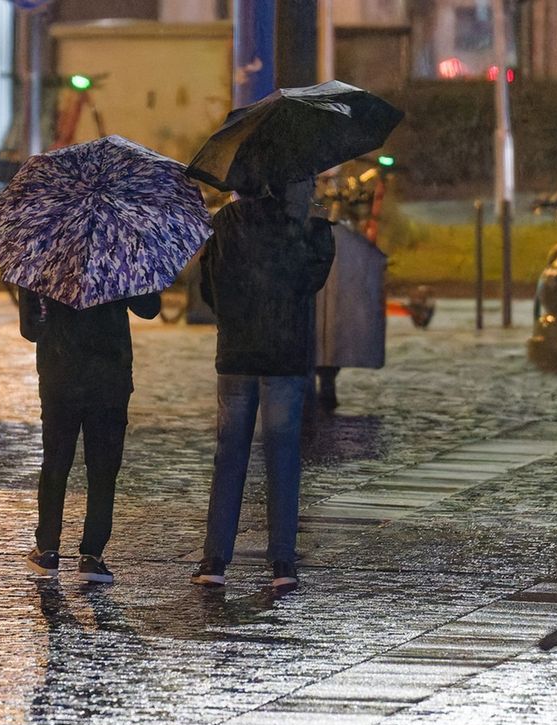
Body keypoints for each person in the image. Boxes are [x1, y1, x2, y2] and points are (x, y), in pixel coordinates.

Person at [192, 177, 335, 590]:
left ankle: (215, 560)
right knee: (283, 457)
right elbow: (312, 280)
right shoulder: (298, 224)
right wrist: (318, 223)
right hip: (284, 355)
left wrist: (236, 315)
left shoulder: (224, 224)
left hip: (236, 354)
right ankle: (282, 564)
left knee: (230, 455)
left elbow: (209, 288)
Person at [20, 289, 161, 583]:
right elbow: (149, 309)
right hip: (110, 374)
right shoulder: (121, 254)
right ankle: (92, 555)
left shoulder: (45, 255)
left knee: (56, 463)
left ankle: (47, 548)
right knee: (103, 468)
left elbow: (30, 329)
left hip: (60, 373)